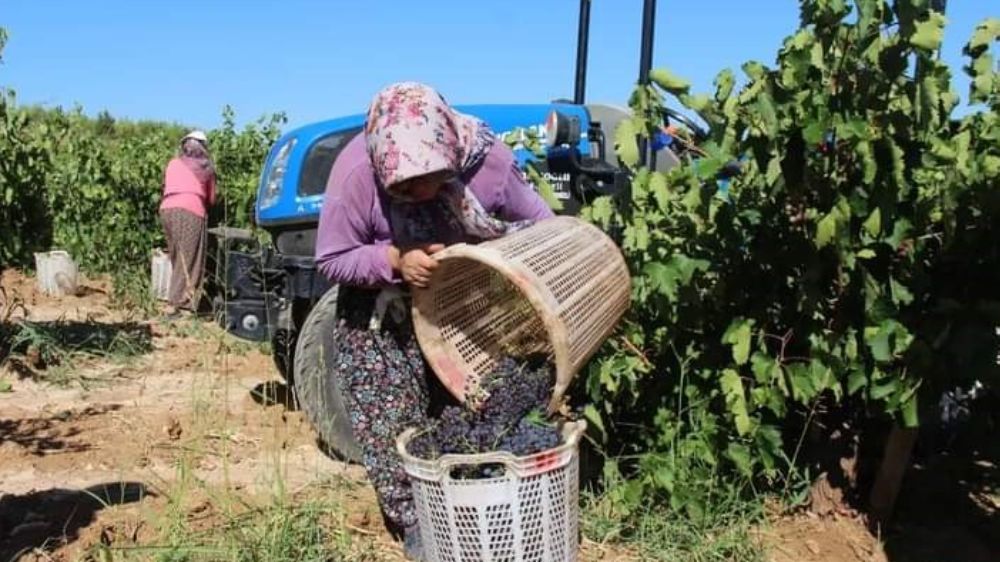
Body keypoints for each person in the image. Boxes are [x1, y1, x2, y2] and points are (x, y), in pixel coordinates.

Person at [315, 82, 554, 559]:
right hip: (382, 311)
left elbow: (545, 230)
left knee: (473, 409)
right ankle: (417, 522)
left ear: (451, 150)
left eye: (430, 178)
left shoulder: (490, 165)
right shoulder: (356, 174)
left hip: (466, 304)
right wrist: (392, 259)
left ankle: (475, 506)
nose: (418, 193)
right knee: (393, 424)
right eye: (402, 186)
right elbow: (332, 258)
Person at [159, 130, 217, 318]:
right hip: (191, 210)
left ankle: (175, 301)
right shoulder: (206, 166)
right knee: (191, 259)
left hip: (167, 209)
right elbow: (212, 198)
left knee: (178, 257)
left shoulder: (173, 163)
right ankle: (180, 306)